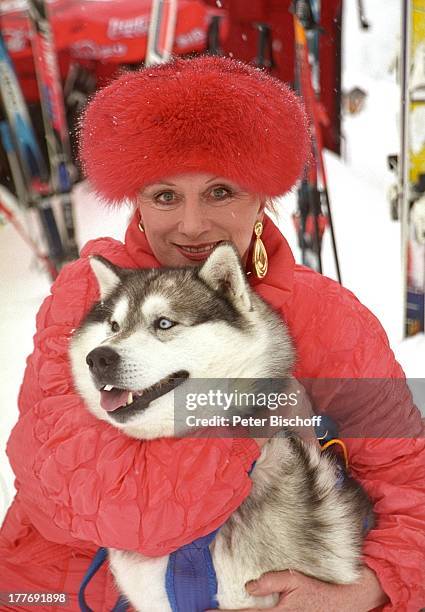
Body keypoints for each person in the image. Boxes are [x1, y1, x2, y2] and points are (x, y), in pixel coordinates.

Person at [0, 55, 424, 612]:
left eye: (221, 191)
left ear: (263, 196)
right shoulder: (89, 298)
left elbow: (409, 483)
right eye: (164, 195)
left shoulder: (329, 321)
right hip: (70, 591)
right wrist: (252, 417)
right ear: (137, 200)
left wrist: (366, 589)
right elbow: (110, 503)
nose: (192, 224)